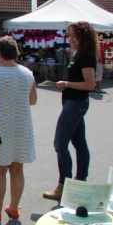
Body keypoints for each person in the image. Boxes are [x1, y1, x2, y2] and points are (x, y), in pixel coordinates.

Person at [0, 37, 37, 221]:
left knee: (0, 169)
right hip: (22, 124)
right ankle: (13, 207)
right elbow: (32, 100)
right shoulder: (28, 73)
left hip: (1, 125)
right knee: (18, 169)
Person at [43, 21, 98, 201]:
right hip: (74, 102)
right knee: (79, 143)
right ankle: (80, 181)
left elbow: (90, 84)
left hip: (75, 103)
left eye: (74, 35)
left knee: (60, 144)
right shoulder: (79, 53)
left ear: (83, 36)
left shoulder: (86, 56)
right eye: (69, 35)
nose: (70, 39)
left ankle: (63, 185)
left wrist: (66, 84)